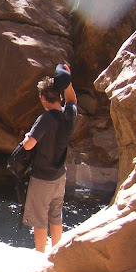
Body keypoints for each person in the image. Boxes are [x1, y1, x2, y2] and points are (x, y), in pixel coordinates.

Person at [21, 63, 77, 252]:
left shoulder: (44, 120)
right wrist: (67, 80)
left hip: (42, 178)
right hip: (60, 175)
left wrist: (26, 137)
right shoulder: (69, 114)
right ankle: (56, 252)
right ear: (59, 96)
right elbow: (72, 99)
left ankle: (40, 256)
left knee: (39, 219)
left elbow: (29, 145)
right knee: (55, 215)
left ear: (43, 98)